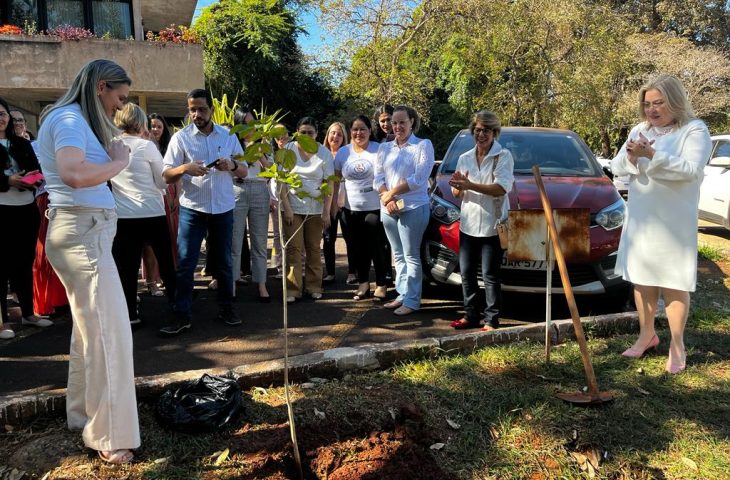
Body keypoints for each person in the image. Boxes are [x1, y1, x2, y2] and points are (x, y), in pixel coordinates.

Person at [37, 59, 139, 463]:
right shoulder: (70, 119)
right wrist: (119, 163)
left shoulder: (72, 119)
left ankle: (83, 415)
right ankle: (109, 436)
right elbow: (74, 174)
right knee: (108, 335)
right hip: (83, 236)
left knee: (88, 332)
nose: (119, 108)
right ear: (100, 87)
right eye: (119, 98)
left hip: (83, 233)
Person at [610, 74, 712, 374]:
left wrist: (652, 154)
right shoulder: (640, 129)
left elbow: (691, 171)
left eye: (658, 103)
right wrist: (631, 156)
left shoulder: (694, 130)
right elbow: (617, 167)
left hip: (674, 222)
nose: (651, 110)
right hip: (642, 218)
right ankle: (646, 334)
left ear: (675, 101)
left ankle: (677, 345)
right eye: (647, 104)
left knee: (673, 282)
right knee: (642, 279)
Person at [160, 88, 247, 336]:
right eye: (192, 109)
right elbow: (166, 174)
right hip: (193, 209)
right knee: (186, 264)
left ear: (211, 109)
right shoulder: (181, 138)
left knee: (224, 263)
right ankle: (182, 315)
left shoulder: (228, 135)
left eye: (202, 109)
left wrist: (232, 165)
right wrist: (185, 168)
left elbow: (245, 171)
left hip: (222, 208)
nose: (197, 114)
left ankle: (227, 308)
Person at [110, 103, 177, 327]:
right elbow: (162, 179)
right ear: (140, 122)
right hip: (150, 211)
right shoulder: (146, 146)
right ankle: (177, 307)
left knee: (126, 269)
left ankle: (130, 314)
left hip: (123, 215)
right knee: (166, 262)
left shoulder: (111, 145)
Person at [448, 111, 514, 331]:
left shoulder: (503, 156)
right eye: (477, 130)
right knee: (466, 273)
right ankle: (470, 315)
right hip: (468, 224)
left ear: (494, 132)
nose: (480, 134)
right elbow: (458, 191)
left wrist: (469, 185)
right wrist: (457, 187)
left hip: (492, 226)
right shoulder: (465, 157)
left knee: (490, 275)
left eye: (485, 130)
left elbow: (501, 188)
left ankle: (492, 319)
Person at [374, 105, 434, 316]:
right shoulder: (384, 148)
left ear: (412, 122)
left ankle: (412, 300)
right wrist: (386, 196)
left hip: (413, 206)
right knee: (398, 255)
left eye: (402, 122)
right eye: (394, 122)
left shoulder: (422, 146)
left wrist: (392, 193)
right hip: (389, 207)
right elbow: (378, 178)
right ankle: (401, 294)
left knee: (411, 255)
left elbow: (419, 179)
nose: (397, 126)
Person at [0, 97, 50, 340]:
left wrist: (29, 180)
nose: (2, 118)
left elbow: (37, 171)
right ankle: (2, 322)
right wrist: (7, 180)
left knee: (23, 263)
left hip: (25, 208)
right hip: (2, 209)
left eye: (3, 113)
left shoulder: (21, 143)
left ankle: (29, 313)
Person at [335, 115, 388, 301]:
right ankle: (363, 283)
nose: (359, 133)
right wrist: (334, 203)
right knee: (357, 248)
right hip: (350, 208)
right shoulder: (343, 152)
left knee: (376, 247)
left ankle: (381, 284)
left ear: (369, 130)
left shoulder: (379, 149)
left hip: (375, 207)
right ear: (350, 132)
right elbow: (335, 179)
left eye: (363, 129)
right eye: (355, 129)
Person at [281, 117, 334, 302]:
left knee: (313, 248)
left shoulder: (324, 153)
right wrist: (286, 208)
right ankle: (293, 289)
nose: (306, 135)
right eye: (302, 132)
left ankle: (314, 286)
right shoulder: (288, 150)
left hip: (315, 208)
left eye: (310, 132)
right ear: (296, 133)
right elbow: (282, 180)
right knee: (293, 249)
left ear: (317, 134)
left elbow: (329, 184)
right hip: (292, 208)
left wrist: (326, 211)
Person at [231, 107, 272, 302]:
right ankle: (231, 283)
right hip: (237, 190)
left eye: (253, 122)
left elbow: (271, 169)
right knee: (235, 241)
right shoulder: (231, 142)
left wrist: (260, 154)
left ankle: (262, 284)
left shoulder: (264, 143)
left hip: (259, 190)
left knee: (259, 241)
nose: (250, 127)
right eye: (245, 123)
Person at [322, 121, 356, 285]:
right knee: (328, 238)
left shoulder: (348, 154)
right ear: (327, 135)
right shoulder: (321, 154)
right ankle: (330, 272)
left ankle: (352, 272)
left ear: (344, 138)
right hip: (327, 203)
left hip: (346, 202)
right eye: (332, 133)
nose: (335, 137)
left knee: (351, 239)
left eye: (339, 134)